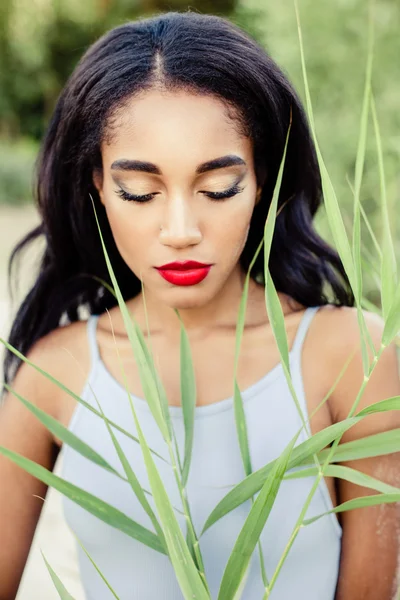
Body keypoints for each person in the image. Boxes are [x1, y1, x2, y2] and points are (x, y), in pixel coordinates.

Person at [1, 10, 399, 600]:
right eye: (140, 191)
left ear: (263, 178)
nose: (181, 230)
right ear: (97, 186)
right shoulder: (56, 373)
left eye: (218, 188)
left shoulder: (351, 356)